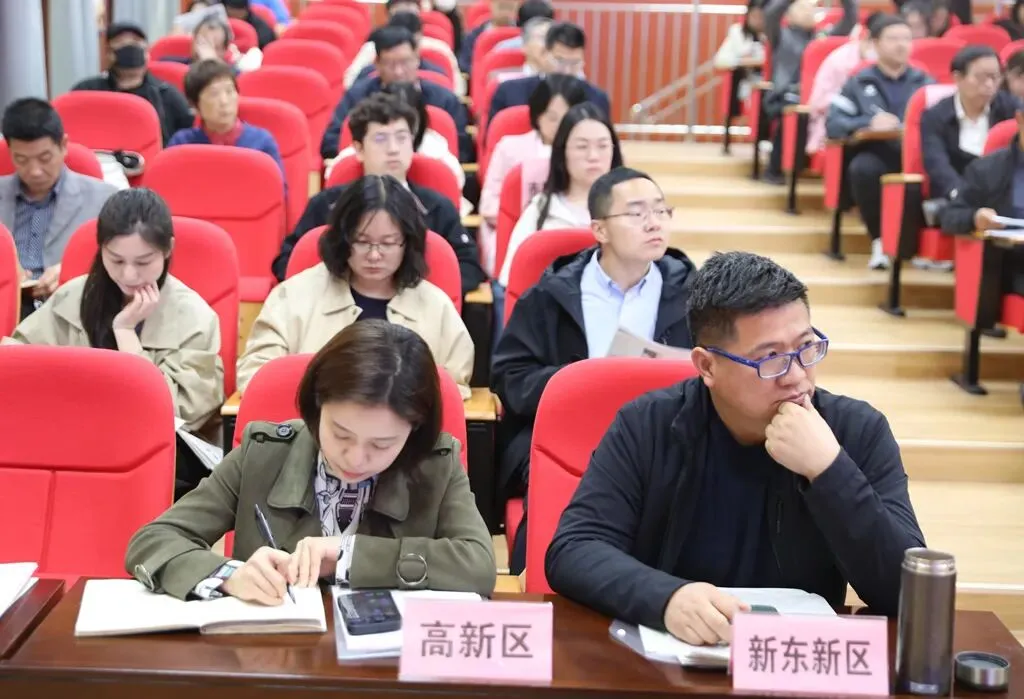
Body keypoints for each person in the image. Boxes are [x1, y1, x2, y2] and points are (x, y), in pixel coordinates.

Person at [545, 251, 925, 639]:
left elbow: (909, 592)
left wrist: (829, 470)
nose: (796, 376)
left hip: (795, 657)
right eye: (770, 359)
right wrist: (665, 598)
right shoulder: (648, 425)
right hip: (675, 653)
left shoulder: (856, 430)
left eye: (806, 348)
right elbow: (575, 549)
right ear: (707, 366)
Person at [126, 320, 496, 604]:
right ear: (317, 407)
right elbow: (154, 540)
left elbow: (478, 565)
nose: (355, 457)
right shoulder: (265, 453)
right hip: (272, 657)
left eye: (382, 444)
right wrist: (226, 575)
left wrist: (349, 556)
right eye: (341, 434)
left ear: (414, 430)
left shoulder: (435, 464)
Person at [492, 167, 696, 573]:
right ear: (600, 229)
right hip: (568, 438)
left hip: (663, 440)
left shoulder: (695, 296)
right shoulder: (550, 294)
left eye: (661, 211)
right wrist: (583, 383)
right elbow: (510, 377)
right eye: (637, 213)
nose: (654, 222)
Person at [3, 188, 223, 494]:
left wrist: (126, 332)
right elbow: (17, 359)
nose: (129, 275)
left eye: (143, 262)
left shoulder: (194, 316)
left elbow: (180, 412)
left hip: (155, 459)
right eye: (116, 260)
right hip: (66, 442)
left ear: (168, 250)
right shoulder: (74, 296)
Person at [240, 175, 474, 396]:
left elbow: (454, 390)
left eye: (388, 243)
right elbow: (255, 377)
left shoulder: (436, 306)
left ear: (408, 243)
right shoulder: (293, 296)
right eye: (361, 241)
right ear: (343, 239)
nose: (374, 255)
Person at [273, 93, 484, 295]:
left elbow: (469, 268)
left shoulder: (437, 207)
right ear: (359, 149)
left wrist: (406, 291)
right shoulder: (327, 204)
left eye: (401, 138)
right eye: (380, 138)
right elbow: (288, 262)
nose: (393, 149)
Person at [826, 15, 932, 270]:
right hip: (877, 152)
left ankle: (918, 246)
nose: (901, 45)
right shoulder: (858, 81)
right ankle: (880, 241)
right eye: (893, 39)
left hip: (918, 154)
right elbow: (834, 123)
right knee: (863, 169)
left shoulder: (924, 82)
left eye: (906, 39)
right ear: (875, 43)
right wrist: (868, 122)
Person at [0, 98, 117, 313]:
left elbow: (121, 262)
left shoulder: (104, 199)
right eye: (22, 160)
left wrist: (73, 270)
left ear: (63, 145)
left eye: (44, 158)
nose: (35, 171)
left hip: (71, 309)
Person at [498, 102, 622, 288]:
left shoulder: (632, 209)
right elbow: (511, 281)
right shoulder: (539, 210)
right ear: (562, 152)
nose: (593, 156)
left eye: (603, 146)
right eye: (582, 146)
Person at [479, 75, 587, 275]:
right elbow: (489, 204)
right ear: (538, 115)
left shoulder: (592, 157)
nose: (561, 126)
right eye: (552, 118)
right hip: (518, 235)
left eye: (568, 119)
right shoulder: (510, 148)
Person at [321, 27, 468, 161]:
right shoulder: (357, 96)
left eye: (405, 62)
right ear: (377, 63)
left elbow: (463, 148)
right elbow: (332, 141)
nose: (398, 72)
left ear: (417, 59)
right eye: (390, 64)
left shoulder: (444, 99)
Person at [760, 0, 858, 184]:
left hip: (818, 97)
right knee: (795, 112)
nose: (808, 12)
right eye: (801, 8)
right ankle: (775, 169)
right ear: (788, 15)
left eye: (811, 8)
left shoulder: (823, 37)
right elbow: (770, 14)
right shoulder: (780, 34)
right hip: (787, 95)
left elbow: (850, 19)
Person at [939, 105, 1024, 301]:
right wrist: (975, 218)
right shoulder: (987, 170)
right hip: (1011, 263)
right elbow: (950, 216)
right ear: (1020, 119)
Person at [167, 59, 286, 185]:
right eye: (214, 94)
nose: (224, 101)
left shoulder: (261, 141)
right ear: (195, 105)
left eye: (229, 91)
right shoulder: (182, 144)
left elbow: (278, 191)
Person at [922, 46, 1018, 204]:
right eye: (981, 78)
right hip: (955, 196)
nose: (989, 84)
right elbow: (937, 164)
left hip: (1002, 194)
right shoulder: (935, 116)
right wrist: (961, 196)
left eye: (995, 77)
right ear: (958, 78)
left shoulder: (1011, 109)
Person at [72, 23, 193, 145]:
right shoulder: (86, 92)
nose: (130, 47)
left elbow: (186, 141)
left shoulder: (166, 95)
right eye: (121, 42)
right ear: (109, 54)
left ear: (147, 53)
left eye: (136, 42)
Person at [488, 22, 611, 124]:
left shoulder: (596, 99)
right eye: (560, 61)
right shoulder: (510, 92)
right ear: (544, 54)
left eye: (574, 63)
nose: (567, 71)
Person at [805, 13, 883, 155]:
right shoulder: (839, 61)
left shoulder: (891, 65)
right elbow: (818, 103)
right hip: (840, 125)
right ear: (867, 38)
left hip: (883, 131)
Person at [344, 0, 462, 94]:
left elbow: (457, 89)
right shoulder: (371, 49)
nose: (398, 71)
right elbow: (350, 82)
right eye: (389, 63)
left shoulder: (439, 49)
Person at [713, 0, 767, 125]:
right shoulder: (737, 32)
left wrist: (758, 61)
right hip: (745, 81)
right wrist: (741, 61)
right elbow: (719, 61)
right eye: (754, 16)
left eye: (761, 17)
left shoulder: (773, 34)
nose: (758, 21)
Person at [459, 0, 522, 75]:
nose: (505, 13)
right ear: (491, 5)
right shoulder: (474, 36)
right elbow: (464, 65)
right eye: (501, 7)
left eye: (509, 8)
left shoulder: (524, 35)